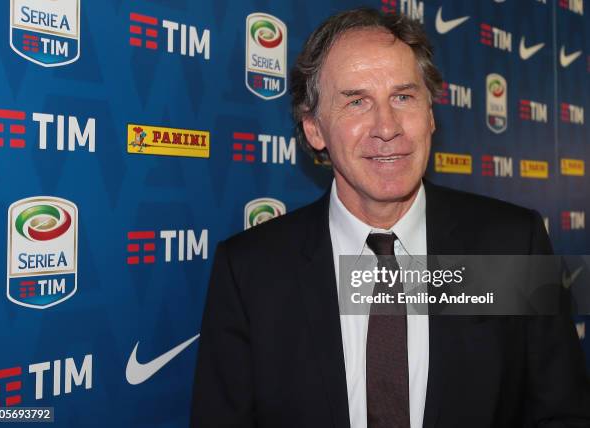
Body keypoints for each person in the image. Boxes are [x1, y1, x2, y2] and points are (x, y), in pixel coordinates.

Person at [190, 8, 590, 428]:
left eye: (403, 96)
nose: (387, 126)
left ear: (431, 114)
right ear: (314, 129)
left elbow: (561, 413)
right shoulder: (252, 271)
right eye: (357, 101)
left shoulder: (510, 246)